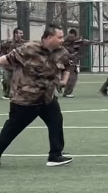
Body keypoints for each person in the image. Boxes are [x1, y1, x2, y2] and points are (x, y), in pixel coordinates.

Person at [0, 25, 73, 167]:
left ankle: (55, 155)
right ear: (48, 37)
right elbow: (5, 60)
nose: (62, 40)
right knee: (11, 130)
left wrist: (64, 81)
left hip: (46, 98)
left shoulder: (62, 52)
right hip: (25, 99)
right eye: (59, 37)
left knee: (56, 121)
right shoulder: (28, 49)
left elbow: (68, 66)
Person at [61, 28, 95, 97]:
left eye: (72, 37)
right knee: (71, 77)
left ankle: (64, 89)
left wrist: (95, 42)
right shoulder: (63, 42)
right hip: (64, 61)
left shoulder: (78, 41)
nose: (70, 38)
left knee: (73, 77)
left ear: (75, 36)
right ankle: (66, 92)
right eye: (69, 37)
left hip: (71, 62)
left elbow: (87, 42)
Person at [0, 28, 25, 99]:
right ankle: (7, 93)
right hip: (8, 65)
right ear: (15, 34)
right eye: (20, 33)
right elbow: (2, 51)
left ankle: (15, 94)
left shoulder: (23, 44)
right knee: (7, 80)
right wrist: (3, 59)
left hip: (18, 65)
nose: (22, 35)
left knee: (19, 81)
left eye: (22, 33)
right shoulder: (7, 43)